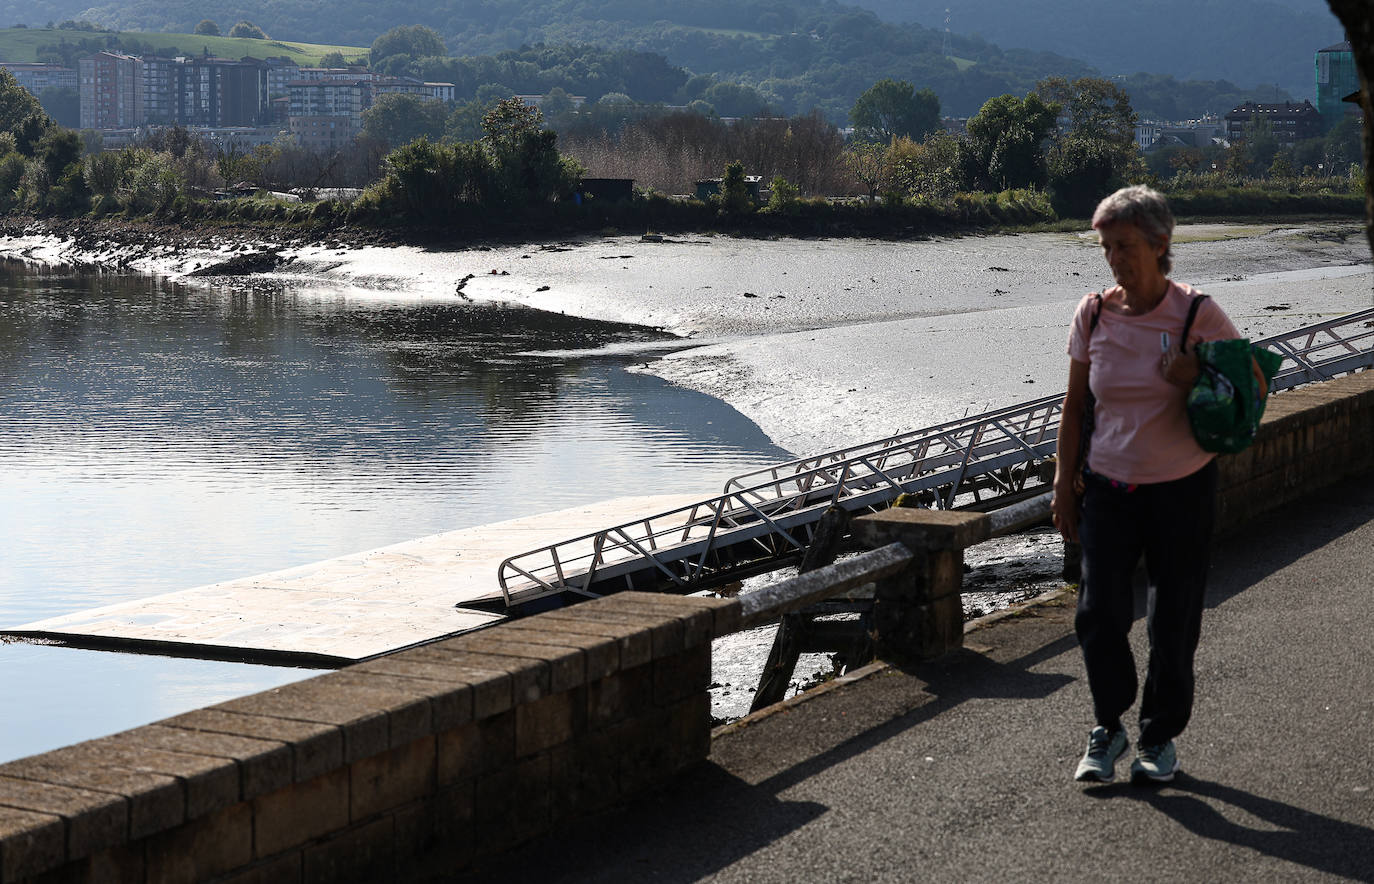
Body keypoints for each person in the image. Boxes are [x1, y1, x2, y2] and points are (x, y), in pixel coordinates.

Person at [1050, 185, 1248, 786]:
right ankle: (1108, 725)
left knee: (1173, 620)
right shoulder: (1093, 313)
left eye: (1126, 246)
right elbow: (1074, 408)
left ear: (1160, 245)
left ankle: (1158, 736)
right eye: (1107, 247)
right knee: (1097, 613)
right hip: (1108, 489)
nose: (1115, 259)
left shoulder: (1197, 314)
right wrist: (1063, 485)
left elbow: (1249, 389)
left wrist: (1196, 375)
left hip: (1182, 489)